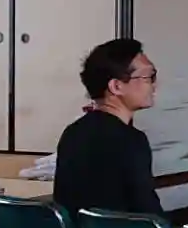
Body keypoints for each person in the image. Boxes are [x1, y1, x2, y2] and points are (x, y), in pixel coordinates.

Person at [54, 38, 164, 217]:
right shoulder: (131, 140)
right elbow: (149, 214)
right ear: (116, 86)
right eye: (148, 77)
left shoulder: (73, 132)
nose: (154, 85)